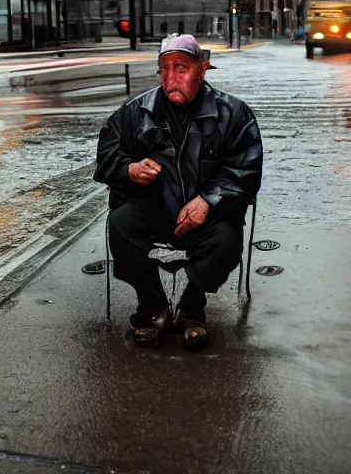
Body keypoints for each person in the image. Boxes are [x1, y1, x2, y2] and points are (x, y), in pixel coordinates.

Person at [93, 34, 263, 349]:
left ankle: (192, 306)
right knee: (121, 224)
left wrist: (209, 201)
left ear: (203, 69)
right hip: (154, 209)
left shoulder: (233, 114)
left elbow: (245, 171)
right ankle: (152, 305)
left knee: (226, 240)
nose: (172, 78)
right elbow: (106, 157)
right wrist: (129, 170)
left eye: (181, 68)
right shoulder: (136, 113)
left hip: (208, 215)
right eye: (165, 69)